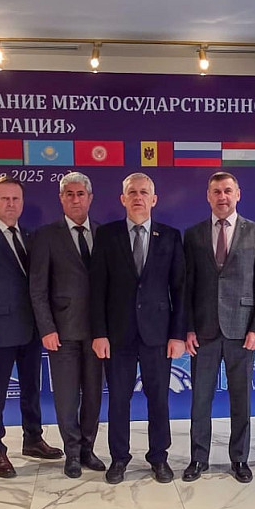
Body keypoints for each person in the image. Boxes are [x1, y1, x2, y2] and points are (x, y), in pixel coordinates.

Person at [0, 175, 62, 479]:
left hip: (31, 329)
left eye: (16, 198)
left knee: (31, 388)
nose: (10, 204)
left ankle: (33, 438)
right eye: (4, 198)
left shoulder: (31, 236)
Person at [90, 172, 185, 484]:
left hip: (158, 334)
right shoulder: (107, 235)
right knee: (119, 399)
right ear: (123, 199)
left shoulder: (170, 236)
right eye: (132, 192)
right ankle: (119, 458)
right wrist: (99, 333)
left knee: (158, 399)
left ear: (154, 199)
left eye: (144, 192)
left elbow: (180, 289)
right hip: (118, 334)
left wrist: (177, 334)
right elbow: (97, 288)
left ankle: (159, 457)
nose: (138, 197)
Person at [182, 172, 255, 483]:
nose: (222, 197)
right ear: (208, 197)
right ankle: (198, 458)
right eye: (216, 192)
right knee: (200, 401)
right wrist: (189, 327)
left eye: (227, 191)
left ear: (238, 194)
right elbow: (186, 286)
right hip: (204, 331)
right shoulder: (193, 234)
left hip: (242, 331)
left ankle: (239, 459)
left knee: (240, 400)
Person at [29, 172, 106, 478]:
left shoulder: (103, 233)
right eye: (69, 194)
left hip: (97, 333)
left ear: (90, 198)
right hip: (61, 333)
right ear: (61, 198)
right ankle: (72, 452)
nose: (75, 199)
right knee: (66, 397)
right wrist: (46, 328)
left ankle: (88, 449)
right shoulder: (46, 235)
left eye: (80, 194)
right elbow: (37, 288)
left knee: (94, 395)